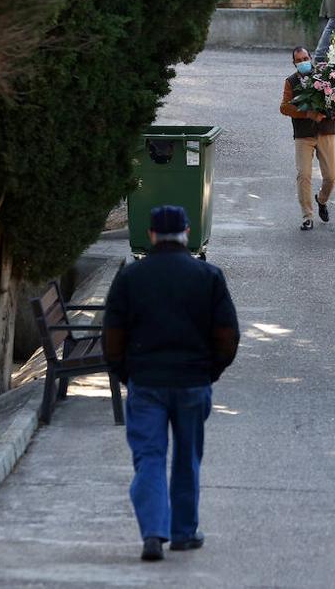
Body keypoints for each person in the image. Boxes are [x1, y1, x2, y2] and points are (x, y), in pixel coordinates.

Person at [103, 205, 240, 562]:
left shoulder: (131, 278)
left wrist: (125, 374)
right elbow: (227, 335)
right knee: (186, 457)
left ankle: (152, 532)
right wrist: (210, 371)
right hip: (193, 382)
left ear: (150, 235)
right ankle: (183, 533)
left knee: (149, 456)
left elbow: (112, 335)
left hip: (146, 382)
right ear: (187, 232)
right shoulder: (208, 276)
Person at [280, 46, 335, 230]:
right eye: (299, 60)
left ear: (311, 58)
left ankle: (321, 200)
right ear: (294, 63)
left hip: (326, 131)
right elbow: (284, 107)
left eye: (305, 58)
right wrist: (307, 114)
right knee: (303, 175)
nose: (303, 62)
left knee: (331, 176)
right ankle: (307, 216)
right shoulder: (291, 82)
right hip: (304, 134)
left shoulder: (326, 76)